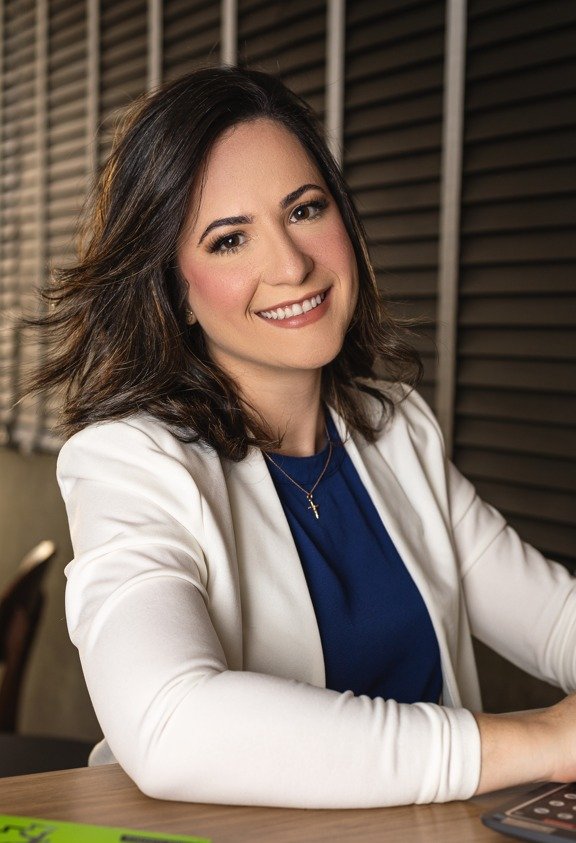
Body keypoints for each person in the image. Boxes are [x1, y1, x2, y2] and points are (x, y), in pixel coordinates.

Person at [32, 66, 576, 808]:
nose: (291, 265)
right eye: (229, 240)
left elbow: (555, 621)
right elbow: (169, 723)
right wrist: (539, 740)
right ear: (175, 291)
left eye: (305, 209)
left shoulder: (397, 428)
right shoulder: (128, 460)